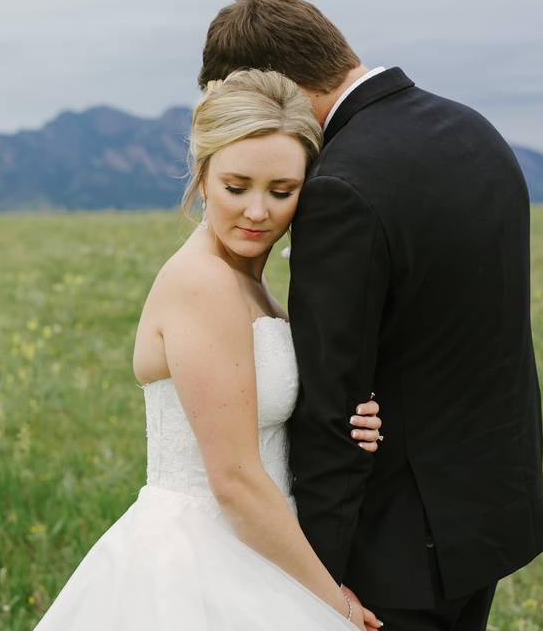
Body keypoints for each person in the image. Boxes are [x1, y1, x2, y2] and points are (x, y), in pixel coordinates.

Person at [196, 0, 543, 630]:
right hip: (489, 514)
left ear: (276, 89)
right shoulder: (473, 128)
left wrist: (318, 583)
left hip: (393, 548)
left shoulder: (340, 186)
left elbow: (337, 401)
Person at [34, 69, 385, 631]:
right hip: (205, 553)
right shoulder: (204, 284)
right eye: (235, 186)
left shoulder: (251, 282)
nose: (256, 212)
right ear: (201, 177)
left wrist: (347, 420)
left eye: (282, 191)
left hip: (259, 539)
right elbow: (235, 480)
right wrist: (334, 604)